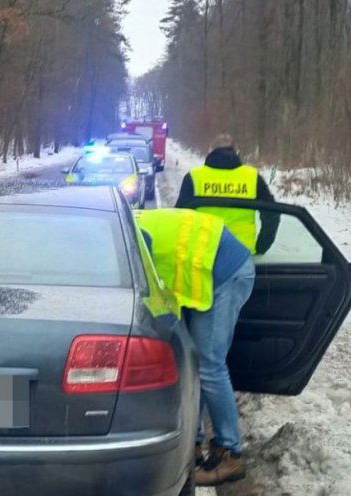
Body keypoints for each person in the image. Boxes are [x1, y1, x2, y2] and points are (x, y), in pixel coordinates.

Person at [135, 208, 255, 487]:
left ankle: (231, 453)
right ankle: (194, 442)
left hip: (226, 272)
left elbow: (146, 297)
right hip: (204, 269)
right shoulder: (124, 223)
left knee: (209, 362)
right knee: (192, 361)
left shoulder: (133, 239)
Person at [175, 134, 278, 254]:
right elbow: (272, 214)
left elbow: (179, 218)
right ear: (236, 152)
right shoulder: (253, 178)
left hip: (202, 254)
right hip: (242, 256)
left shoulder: (194, 177)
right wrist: (261, 246)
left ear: (211, 151)